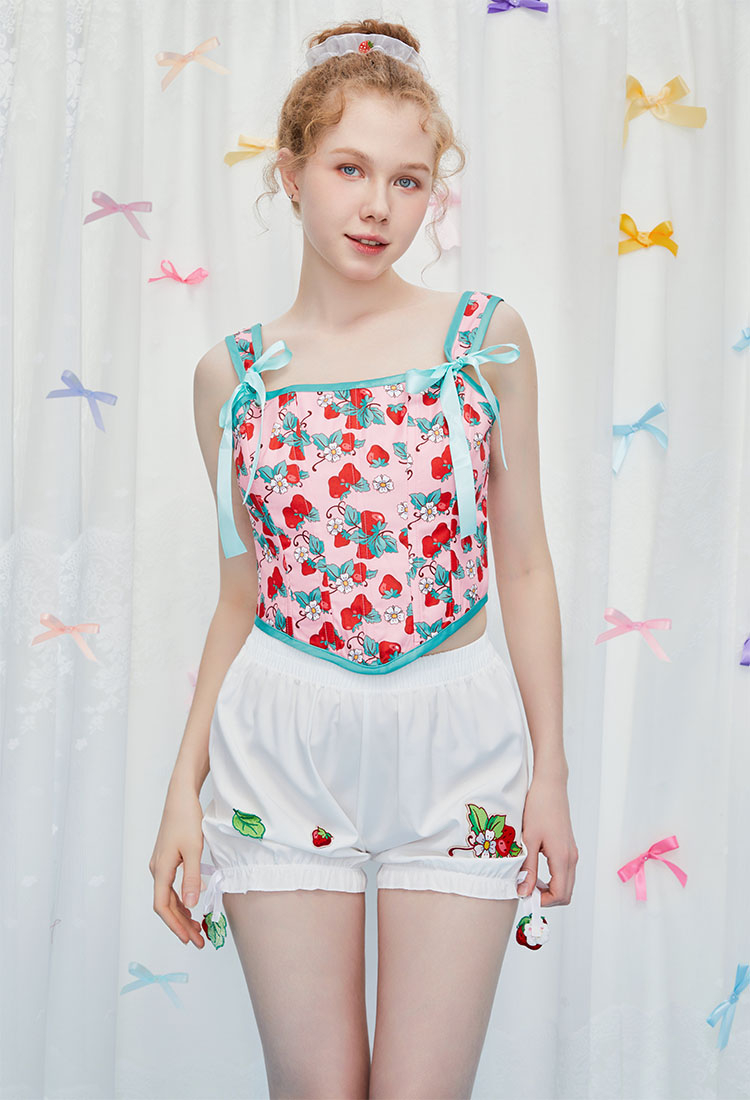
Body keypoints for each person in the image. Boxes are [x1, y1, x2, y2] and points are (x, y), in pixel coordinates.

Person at [150, 17, 578, 1100]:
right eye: (350, 168)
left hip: (458, 737)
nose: (379, 205)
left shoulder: (485, 340)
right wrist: (181, 791)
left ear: (433, 192)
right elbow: (240, 596)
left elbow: (525, 567)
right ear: (292, 170)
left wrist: (551, 775)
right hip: (281, 741)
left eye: (408, 179)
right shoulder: (230, 378)